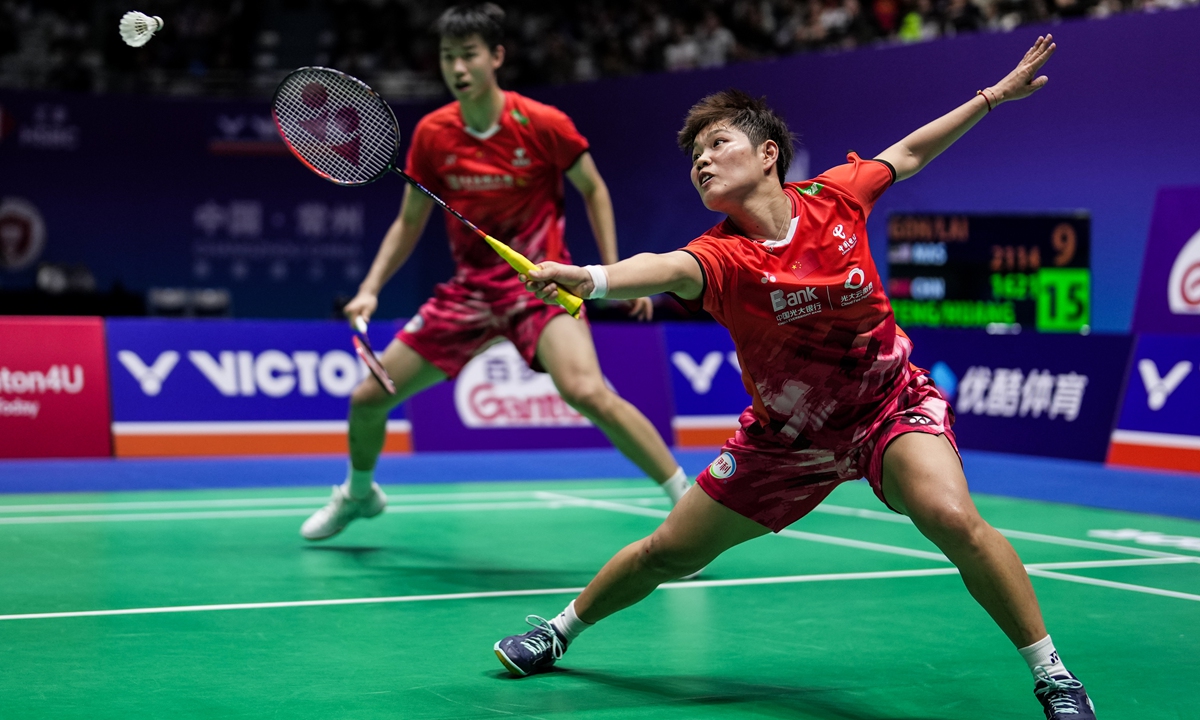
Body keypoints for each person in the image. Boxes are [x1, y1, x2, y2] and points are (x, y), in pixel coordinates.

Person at [494, 35, 1096, 719]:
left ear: (767, 153)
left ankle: (1053, 675)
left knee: (953, 517)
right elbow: (661, 267)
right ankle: (558, 631)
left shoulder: (836, 199)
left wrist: (991, 97)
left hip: (888, 408)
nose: (703, 161)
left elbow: (910, 152)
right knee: (669, 552)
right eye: (695, 156)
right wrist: (591, 279)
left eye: (718, 144)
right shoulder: (719, 257)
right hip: (787, 440)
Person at [300, 3, 690, 541]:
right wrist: (369, 289)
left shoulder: (543, 123)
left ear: (496, 57)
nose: (457, 69)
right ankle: (359, 494)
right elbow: (408, 223)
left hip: (540, 284)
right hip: (471, 292)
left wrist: (611, 272)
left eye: (468, 56)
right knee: (368, 398)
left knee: (587, 391)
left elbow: (593, 188)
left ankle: (687, 507)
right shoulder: (433, 135)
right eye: (447, 58)